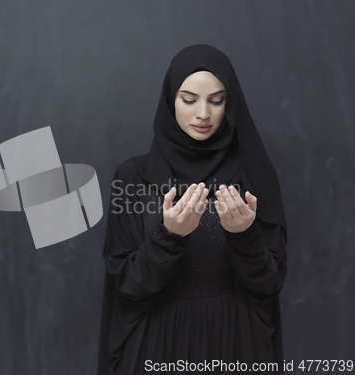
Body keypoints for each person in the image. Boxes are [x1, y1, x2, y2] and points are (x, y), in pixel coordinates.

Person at [97, 44, 288, 375]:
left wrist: (244, 236)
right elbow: (125, 285)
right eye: (189, 99)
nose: (204, 113)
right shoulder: (133, 177)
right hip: (157, 343)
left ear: (230, 104)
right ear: (171, 100)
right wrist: (169, 237)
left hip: (235, 342)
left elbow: (269, 284)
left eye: (216, 101)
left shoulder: (253, 177)